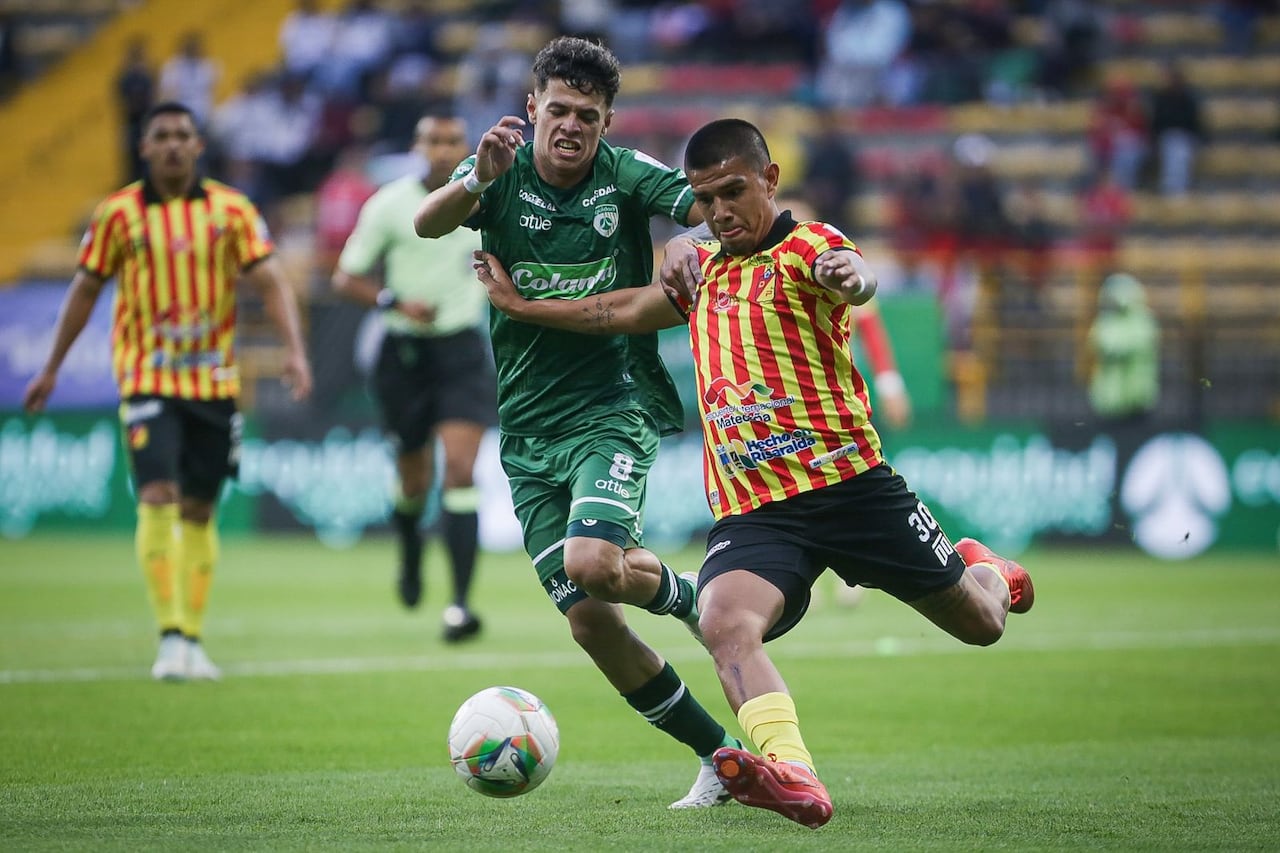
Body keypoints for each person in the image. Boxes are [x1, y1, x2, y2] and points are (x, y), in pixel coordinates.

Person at [474, 117, 1035, 829]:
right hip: (757, 510)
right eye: (705, 200)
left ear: (770, 180)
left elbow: (854, 276)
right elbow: (617, 310)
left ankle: (990, 572)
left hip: (853, 489)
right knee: (722, 622)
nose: (720, 212)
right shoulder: (699, 271)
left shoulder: (811, 247)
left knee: (982, 624)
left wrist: (852, 278)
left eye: (734, 192)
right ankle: (794, 773)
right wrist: (520, 306)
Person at [412, 36, 740, 810]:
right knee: (592, 622)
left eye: (587, 116)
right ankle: (722, 757)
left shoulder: (624, 175)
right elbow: (429, 223)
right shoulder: (497, 170)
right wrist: (475, 180)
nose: (570, 126)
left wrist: (689, 239)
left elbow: (717, 211)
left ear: (606, 122)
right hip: (527, 434)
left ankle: (693, 602)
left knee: (593, 562)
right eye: (558, 110)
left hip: (611, 409)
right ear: (532, 108)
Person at [22, 101, 313, 682]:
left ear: (198, 146)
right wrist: (52, 366)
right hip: (147, 378)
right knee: (157, 494)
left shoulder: (231, 210)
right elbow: (85, 289)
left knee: (200, 509)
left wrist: (295, 349)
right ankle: (170, 634)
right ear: (146, 147)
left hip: (213, 382)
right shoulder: (118, 214)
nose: (174, 144)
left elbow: (271, 280)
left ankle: (193, 639)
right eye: (163, 135)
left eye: (183, 134)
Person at [331, 113, 494, 641]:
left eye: (452, 141)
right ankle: (409, 548)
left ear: (465, 147)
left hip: (462, 348)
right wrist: (394, 301)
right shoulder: (389, 204)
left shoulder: (487, 199)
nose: (442, 150)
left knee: (461, 471)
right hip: (403, 353)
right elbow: (345, 277)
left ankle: (461, 605)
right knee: (413, 480)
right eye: (433, 141)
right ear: (417, 147)